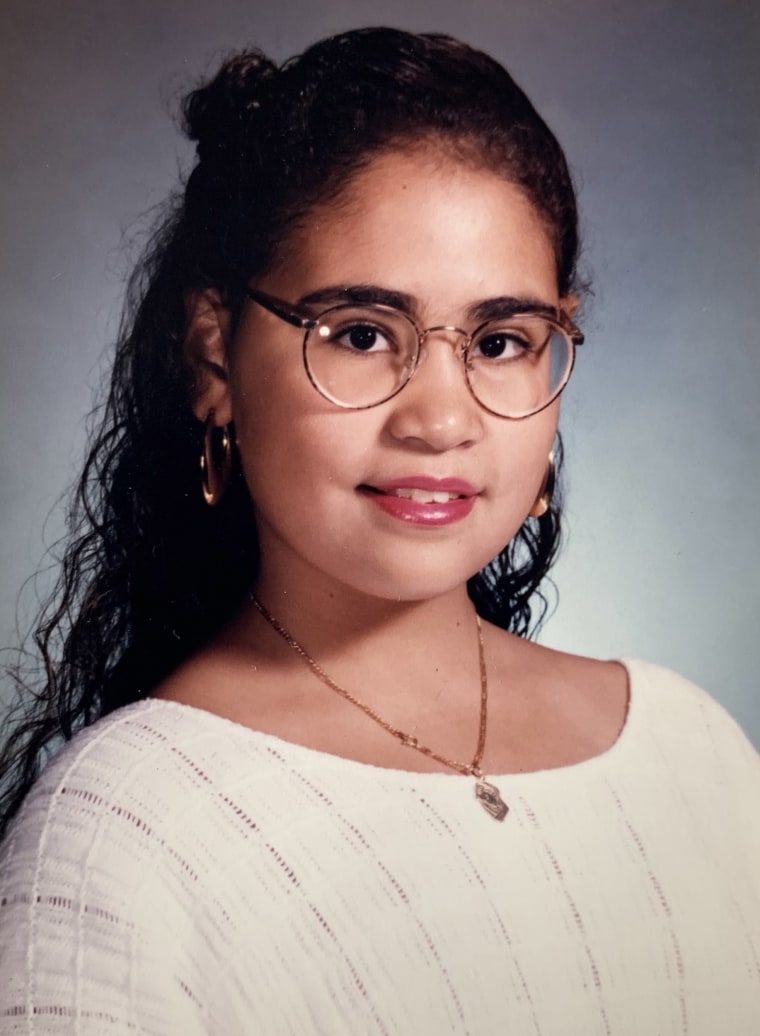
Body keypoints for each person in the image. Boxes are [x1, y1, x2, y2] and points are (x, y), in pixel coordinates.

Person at [0, 26, 758, 1035]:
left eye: (499, 341)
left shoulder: (689, 749)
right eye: (360, 334)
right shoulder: (119, 834)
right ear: (215, 357)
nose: (441, 420)